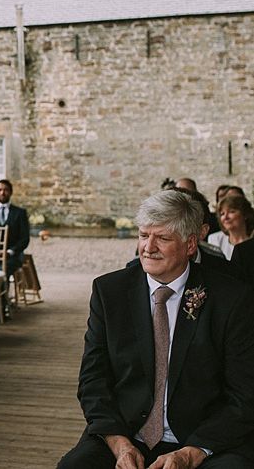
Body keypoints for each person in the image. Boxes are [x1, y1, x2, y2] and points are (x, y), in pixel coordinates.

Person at [58, 190, 254, 469]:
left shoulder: (231, 299)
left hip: (203, 440)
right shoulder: (109, 292)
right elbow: (93, 380)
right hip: (125, 433)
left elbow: (244, 394)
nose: (148, 247)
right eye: (143, 235)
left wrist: (191, 452)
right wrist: (119, 444)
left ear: (190, 245)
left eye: (162, 238)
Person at [0, 178, 30, 273]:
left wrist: (10, 252)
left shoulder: (20, 213)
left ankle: (3, 287)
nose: (2, 193)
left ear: (11, 192)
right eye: (0, 190)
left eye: (5, 190)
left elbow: (25, 238)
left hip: (13, 255)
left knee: (4, 268)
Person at [206, 194, 254, 261]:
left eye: (232, 212)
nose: (225, 217)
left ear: (245, 215)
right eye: (222, 214)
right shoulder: (214, 239)